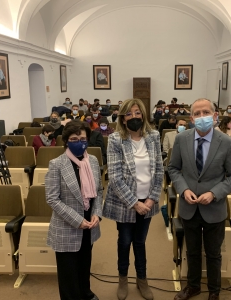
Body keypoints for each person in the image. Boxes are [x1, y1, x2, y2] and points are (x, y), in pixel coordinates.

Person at [168, 98, 231, 300]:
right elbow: (173, 169)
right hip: (189, 206)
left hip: (214, 208)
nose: (202, 117)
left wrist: (214, 193)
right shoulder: (181, 139)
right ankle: (193, 287)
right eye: (197, 114)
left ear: (215, 116)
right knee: (191, 251)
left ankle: (213, 291)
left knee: (213, 253)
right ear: (191, 118)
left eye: (206, 112)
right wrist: (183, 190)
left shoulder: (227, 143)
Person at [103, 98, 163, 300]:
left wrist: (152, 199)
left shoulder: (153, 136)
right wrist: (134, 203)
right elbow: (115, 176)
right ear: (122, 117)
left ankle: (142, 279)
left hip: (148, 202)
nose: (134, 117)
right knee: (125, 242)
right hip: (125, 203)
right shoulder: (115, 140)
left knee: (140, 242)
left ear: (144, 115)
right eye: (129, 113)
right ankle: (122, 279)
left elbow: (159, 170)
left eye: (137, 113)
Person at [45, 120, 102, 300]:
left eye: (83, 138)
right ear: (66, 141)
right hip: (68, 226)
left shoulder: (92, 161)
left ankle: (86, 293)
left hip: (89, 224)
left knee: (85, 265)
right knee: (68, 273)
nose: (80, 142)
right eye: (74, 139)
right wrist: (77, 220)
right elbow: (52, 198)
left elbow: (99, 191)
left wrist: (96, 213)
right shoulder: (56, 164)